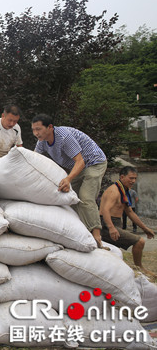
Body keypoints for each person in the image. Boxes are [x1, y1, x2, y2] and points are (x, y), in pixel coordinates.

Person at [31, 113, 108, 247]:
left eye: (38, 129)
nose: (36, 133)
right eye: (33, 130)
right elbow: (34, 159)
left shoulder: (63, 137)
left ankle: (96, 235)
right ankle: (83, 232)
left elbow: (80, 161)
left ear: (49, 127)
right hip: (77, 166)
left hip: (94, 162)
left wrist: (68, 179)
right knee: (71, 199)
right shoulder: (42, 142)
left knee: (85, 197)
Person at [99, 166, 155, 277]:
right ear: (122, 177)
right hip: (107, 224)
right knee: (139, 241)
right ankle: (139, 268)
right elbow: (105, 210)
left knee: (114, 254)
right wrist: (111, 227)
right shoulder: (114, 191)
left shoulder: (125, 190)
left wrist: (145, 228)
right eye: (131, 178)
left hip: (116, 223)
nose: (133, 181)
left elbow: (130, 212)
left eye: (135, 178)